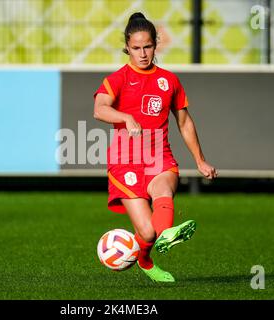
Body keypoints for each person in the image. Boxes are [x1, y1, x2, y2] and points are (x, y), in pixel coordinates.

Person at [93, 12, 217, 282]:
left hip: (160, 157)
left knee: (163, 190)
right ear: (127, 46)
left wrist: (200, 160)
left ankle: (166, 233)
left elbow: (184, 123)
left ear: (155, 44)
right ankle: (146, 259)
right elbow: (99, 109)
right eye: (136, 48)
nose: (142, 53)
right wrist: (126, 117)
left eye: (147, 46)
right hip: (125, 162)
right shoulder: (118, 79)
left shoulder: (169, 81)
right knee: (146, 233)